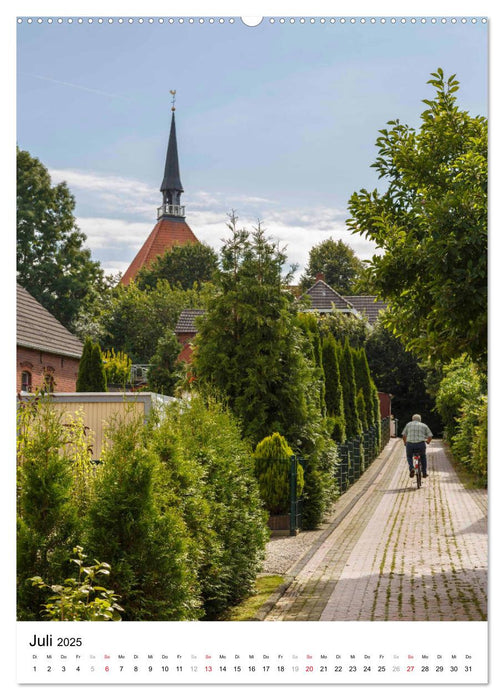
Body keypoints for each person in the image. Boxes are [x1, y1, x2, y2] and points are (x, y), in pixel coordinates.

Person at [402, 414, 433, 478]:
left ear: (412, 419)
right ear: (420, 419)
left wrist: (405, 443)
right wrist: (428, 441)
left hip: (410, 444)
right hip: (420, 444)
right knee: (423, 457)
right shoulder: (424, 425)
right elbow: (430, 435)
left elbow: (404, 435)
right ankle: (424, 473)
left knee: (409, 456)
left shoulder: (408, 425)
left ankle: (411, 468)